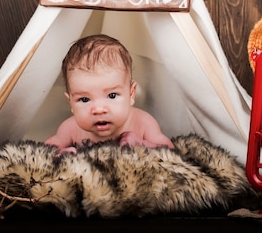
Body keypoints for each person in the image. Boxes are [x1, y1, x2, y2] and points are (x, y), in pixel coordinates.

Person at [45, 34, 174, 154]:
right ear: (71, 103)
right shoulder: (70, 128)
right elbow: (42, 152)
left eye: (112, 96)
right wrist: (60, 155)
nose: (99, 110)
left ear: (131, 94)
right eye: (84, 99)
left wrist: (141, 144)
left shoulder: (143, 123)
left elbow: (170, 153)